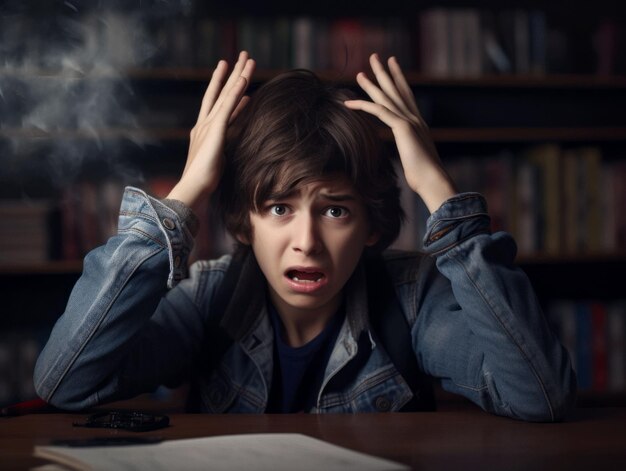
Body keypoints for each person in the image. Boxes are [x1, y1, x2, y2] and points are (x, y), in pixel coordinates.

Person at [34, 51, 576, 421]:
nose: (307, 241)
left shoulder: (412, 299)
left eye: (335, 211)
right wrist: (188, 191)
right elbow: (66, 384)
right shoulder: (208, 297)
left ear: (371, 225)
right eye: (278, 208)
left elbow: (541, 397)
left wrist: (438, 190)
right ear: (246, 222)